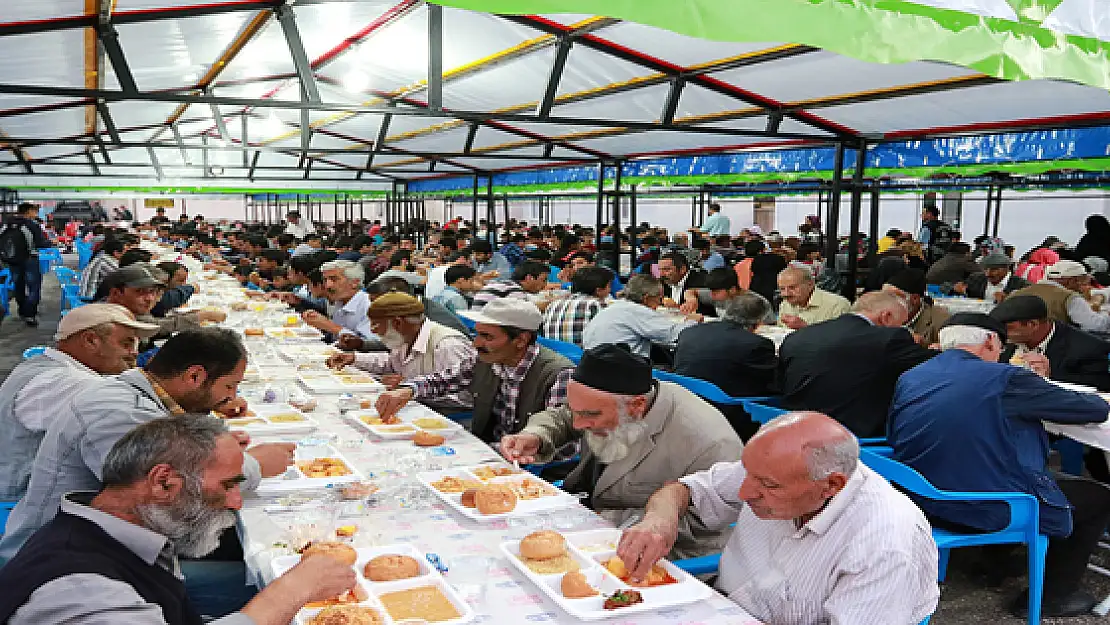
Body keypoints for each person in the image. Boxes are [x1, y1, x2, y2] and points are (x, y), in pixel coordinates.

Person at [0, 329, 295, 613]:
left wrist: (216, 432)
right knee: (273, 580)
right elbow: (184, 487)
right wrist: (253, 465)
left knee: (256, 544)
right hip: (69, 571)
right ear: (194, 376)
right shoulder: (119, 412)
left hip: (113, 545)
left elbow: (183, 455)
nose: (231, 397)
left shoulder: (137, 393)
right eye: (229, 386)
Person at [0, 416, 359, 625]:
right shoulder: (82, 591)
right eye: (229, 485)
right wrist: (294, 590)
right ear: (163, 481)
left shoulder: (116, 527)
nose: (236, 503)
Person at [618, 412, 938, 625]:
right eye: (748, 473)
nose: (744, 492)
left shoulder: (885, 543)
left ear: (831, 485)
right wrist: (660, 518)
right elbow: (683, 490)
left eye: (768, 485)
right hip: (720, 605)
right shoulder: (772, 467)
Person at [888, 313, 1110, 618]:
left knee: (1003, 463)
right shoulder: (1005, 379)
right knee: (1097, 498)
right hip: (978, 504)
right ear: (991, 341)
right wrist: (1037, 383)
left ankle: (993, 564)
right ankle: (1052, 596)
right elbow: (1094, 408)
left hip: (921, 496)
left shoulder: (914, 375)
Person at [500, 344, 743, 557]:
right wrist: (537, 436)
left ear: (637, 405)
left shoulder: (709, 442)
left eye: (589, 415)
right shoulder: (602, 402)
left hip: (659, 554)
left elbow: (703, 526)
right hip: (585, 514)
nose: (577, 424)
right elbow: (565, 416)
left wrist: (599, 520)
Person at [0, 304, 158, 500]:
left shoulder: (46, 365)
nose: (134, 353)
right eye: (126, 344)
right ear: (91, 340)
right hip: (23, 497)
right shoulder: (67, 383)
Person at [373, 299, 573, 443]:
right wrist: (407, 390)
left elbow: (560, 433)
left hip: (535, 465)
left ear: (521, 340)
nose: (476, 343)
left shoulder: (558, 374)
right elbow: (443, 380)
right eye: (477, 334)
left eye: (487, 336)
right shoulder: (485, 361)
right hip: (491, 448)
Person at [778, 291, 935, 437]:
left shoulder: (798, 336)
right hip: (850, 435)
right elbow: (938, 365)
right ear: (886, 317)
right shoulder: (888, 338)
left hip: (793, 428)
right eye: (902, 323)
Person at [326, 293, 475, 412]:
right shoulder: (405, 337)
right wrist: (354, 358)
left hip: (447, 417)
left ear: (398, 323)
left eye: (376, 324)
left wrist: (407, 387)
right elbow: (391, 362)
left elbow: (463, 397)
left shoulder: (447, 344)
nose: (372, 330)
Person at [673, 293, 777, 440]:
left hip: (685, 400)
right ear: (758, 322)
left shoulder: (690, 331)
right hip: (727, 409)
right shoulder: (756, 344)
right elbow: (769, 382)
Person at [990, 295, 1110, 391]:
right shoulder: (1004, 342)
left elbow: (1099, 389)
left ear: (1032, 325)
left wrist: (1049, 378)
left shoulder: (1089, 348)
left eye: (1007, 328)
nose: (1001, 333)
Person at [582, 274, 700, 357]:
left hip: (596, 367)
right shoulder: (638, 311)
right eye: (659, 299)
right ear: (646, 298)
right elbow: (674, 334)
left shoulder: (615, 307)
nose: (659, 303)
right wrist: (692, 320)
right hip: (622, 373)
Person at [100, 264, 223, 342]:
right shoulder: (113, 320)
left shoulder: (131, 309)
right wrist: (201, 316)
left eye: (153, 292)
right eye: (140, 291)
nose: (150, 298)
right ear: (116, 293)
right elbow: (157, 327)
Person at [1010, 259, 1110, 333]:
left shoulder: (1016, 294)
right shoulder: (1070, 298)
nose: (1084, 285)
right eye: (1083, 280)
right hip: (1057, 351)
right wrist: (1106, 313)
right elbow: (1095, 325)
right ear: (1072, 281)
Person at [1, 202, 51, 326]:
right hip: (30, 260)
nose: (36, 214)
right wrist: (49, 242)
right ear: (28, 211)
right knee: (34, 287)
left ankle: (22, 311)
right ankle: (30, 314)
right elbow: (40, 243)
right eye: (35, 211)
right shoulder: (31, 225)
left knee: (18, 286)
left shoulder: (6, 224)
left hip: (12, 260)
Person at [302, 260, 373, 341]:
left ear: (354, 283)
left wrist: (329, 326)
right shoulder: (340, 301)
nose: (327, 285)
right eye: (325, 280)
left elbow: (370, 344)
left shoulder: (368, 305)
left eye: (334, 279)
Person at [540, 266, 610, 345]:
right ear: (599, 290)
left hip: (554, 354)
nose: (609, 290)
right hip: (582, 355)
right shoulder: (595, 304)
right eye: (609, 286)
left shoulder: (553, 304)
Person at [882, 268, 950, 345]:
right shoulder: (880, 316)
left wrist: (924, 345)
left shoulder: (940, 320)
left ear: (915, 299)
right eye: (885, 296)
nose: (888, 302)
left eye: (894, 297)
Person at [776, 266, 850, 330]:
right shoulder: (785, 303)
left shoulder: (838, 305)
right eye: (782, 289)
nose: (786, 294)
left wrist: (805, 328)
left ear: (810, 284)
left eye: (792, 288)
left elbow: (841, 340)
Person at [471, 261, 550, 309]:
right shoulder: (514, 290)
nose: (545, 284)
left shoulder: (505, 285)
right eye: (543, 280)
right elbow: (526, 313)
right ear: (529, 278)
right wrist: (550, 304)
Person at [954, 251, 1029, 302]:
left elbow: (1031, 303)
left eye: (994, 269)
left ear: (1006, 268)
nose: (988, 274)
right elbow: (945, 286)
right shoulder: (976, 278)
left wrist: (1010, 300)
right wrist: (956, 288)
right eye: (986, 269)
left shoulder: (1021, 285)